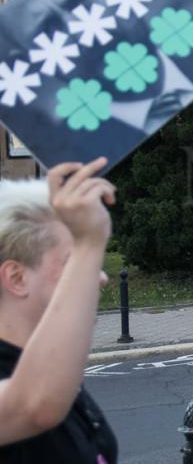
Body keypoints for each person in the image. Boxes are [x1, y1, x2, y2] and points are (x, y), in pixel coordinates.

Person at [0, 157, 118, 462]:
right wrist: (89, 241)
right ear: (16, 277)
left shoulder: (54, 370)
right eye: (72, 261)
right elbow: (32, 405)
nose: (101, 276)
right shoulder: (35, 384)